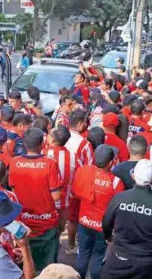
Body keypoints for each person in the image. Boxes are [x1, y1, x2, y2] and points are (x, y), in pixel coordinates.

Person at [101, 160, 152, 279]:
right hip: (145, 261)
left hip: (120, 256)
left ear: (133, 176)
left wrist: (109, 238)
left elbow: (106, 223)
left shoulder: (120, 198)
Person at [9, 128, 62, 272]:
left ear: (25, 144)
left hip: (23, 224)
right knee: (48, 269)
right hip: (46, 223)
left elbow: (14, 192)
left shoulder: (14, 163)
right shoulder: (50, 163)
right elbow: (56, 196)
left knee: (24, 264)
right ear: (42, 143)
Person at [71, 145, 125, 279]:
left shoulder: (82, 172)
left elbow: (74, 193)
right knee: (98, 257)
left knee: (82, 254)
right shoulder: (116, 182)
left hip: (84, 222)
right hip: (103, 227)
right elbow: (119, 208)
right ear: (111, 162)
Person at [65, 109, 94, 254]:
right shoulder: (84, 144)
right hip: (74, 186)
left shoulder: (57, 136)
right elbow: (89, 168)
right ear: (81, 124)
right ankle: (70, 245)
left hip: (57, 183)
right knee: (73, 218)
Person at [43, 125, 73, 233]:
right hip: (64, 202)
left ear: (52, 139)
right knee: (58, 230)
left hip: (46, 201)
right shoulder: (73, 157)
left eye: (49, 134)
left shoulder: (43, 154)